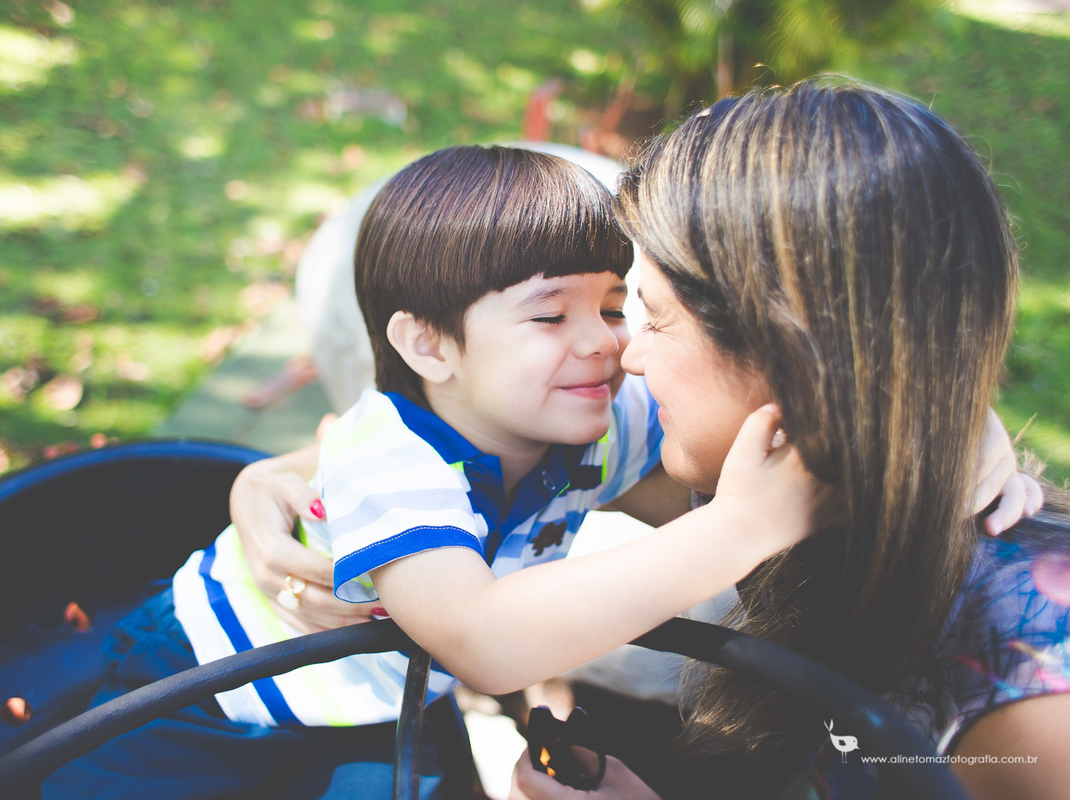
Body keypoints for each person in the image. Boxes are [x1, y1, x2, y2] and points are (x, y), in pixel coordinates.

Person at [41, 144, 832, 800]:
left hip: (377, 702)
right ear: (429, 347)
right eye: (552, 315)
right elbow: (480, 639)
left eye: (614, 306)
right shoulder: (395, 462)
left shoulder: (591, 415)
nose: (605, 342)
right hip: (208, 694)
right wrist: (736, 527)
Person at [503, 78, 1070, 799]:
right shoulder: (782, 499)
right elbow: (474, 460)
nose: (630, 355)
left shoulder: (1040, 682)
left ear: (787, 352)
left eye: (652, 316)